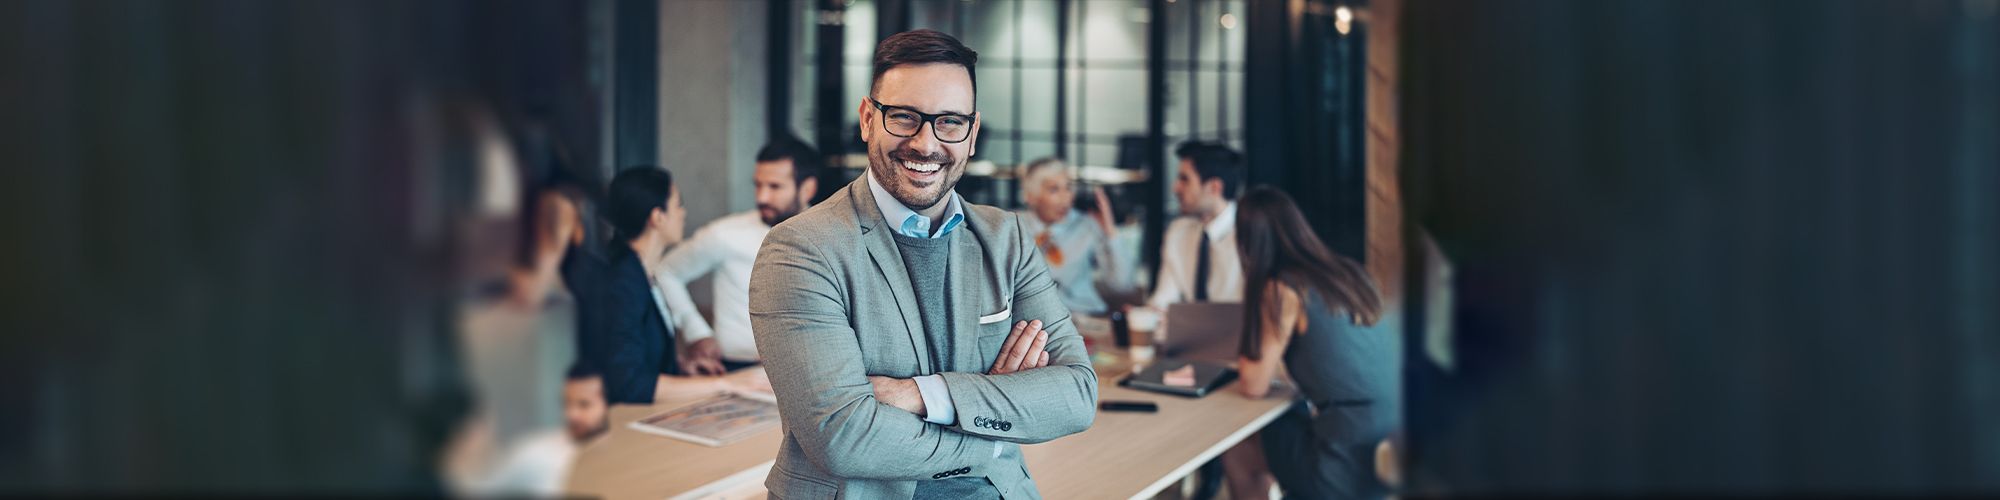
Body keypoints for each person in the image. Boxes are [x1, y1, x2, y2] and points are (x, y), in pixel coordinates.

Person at [749, 29, 1098, 499]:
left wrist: (924, 394)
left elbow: (1076, 395)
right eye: (905, 117)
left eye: (950, 122)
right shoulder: (800, 249)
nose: (926, 143)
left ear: (972, 135)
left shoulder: (1006, 239)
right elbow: (843, 437)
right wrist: (992, 437)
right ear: (868, 119)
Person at [1232, 186, 1398, 499]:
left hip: (1342, 461)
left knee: (1239, 441)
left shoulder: (1283, 289)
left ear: (1248, 244)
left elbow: (1253, 383)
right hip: (1389, 447)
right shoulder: (1351, 273)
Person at [656, 137, 822, 373]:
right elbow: (666, 271)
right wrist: (696, 332)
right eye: (758, 185)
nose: (762, 197)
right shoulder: (725, 235)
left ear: (808, 189)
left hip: (809, 372)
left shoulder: (831, 236)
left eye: (774, 187)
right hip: (736, 369)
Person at [580, 166, 689, 404]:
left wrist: (683, 369)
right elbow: (628, 383)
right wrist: (726, 384)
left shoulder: (643, 273)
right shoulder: (622, 282)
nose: (683, 212)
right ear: (657, 217)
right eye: (678, 204)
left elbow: (644, 355)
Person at [1015, 157, 1133, 314]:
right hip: (1031, 319)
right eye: (1054, 189)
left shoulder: (1085, 226)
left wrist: (1110, 231)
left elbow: (1121, 285)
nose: (1066, 198)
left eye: (1069, 187)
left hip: (1083, 314)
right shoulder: (1014, 227)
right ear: (1031, 197)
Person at [1146, 141, 1247, 309]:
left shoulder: (1250, 234)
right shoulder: (1178, 232)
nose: (1175, 188)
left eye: (1185, 180)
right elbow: (1163, 300)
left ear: (1214, 187)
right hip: (1187, 333)